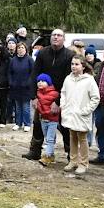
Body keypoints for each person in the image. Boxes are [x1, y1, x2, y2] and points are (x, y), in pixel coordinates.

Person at [24, 28, 74, 162]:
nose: (56, 37)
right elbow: (34, 74)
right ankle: (35, 151)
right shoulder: (42, 53)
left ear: (64, 39)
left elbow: (68, 81)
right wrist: (33, 96)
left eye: (59, 35)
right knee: (38, 123)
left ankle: (71, 155)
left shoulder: (69, 55)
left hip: (61, 97)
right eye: (54, 35)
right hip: (41, 96)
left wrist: (57, 102)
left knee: (65, 126)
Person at [60, 56, 100, 176]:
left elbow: (95, 98)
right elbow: (63, 93)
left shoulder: (89, 80)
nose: (74, 66)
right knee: (72, 136)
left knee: (82, 138)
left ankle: (83, 163)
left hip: (81, 115)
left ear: (83, 66)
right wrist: (64, 106)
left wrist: (86, 110)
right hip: (70, 114)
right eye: (72, 64)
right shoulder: (68, 79)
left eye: (77, 64)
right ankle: (73, 161)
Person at [8, 41, 34, 132]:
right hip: (16, 88)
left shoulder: (29, 59)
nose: (20, 49)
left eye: (22, 48)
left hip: (26, 88)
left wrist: (28, 82)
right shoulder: (13, 60)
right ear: (16, 50)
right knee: (18, 108)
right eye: (19, 48)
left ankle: (27, 124)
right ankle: (18, 123)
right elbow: (10, 73)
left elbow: (33, 73)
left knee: (26, 107)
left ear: (25, 49)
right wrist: (11, 82)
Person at [35, 73, 60, 166]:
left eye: (43, 81)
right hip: (43, 119)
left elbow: (57, 107)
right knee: (48, 138)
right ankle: (52, 155)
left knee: (49, 139)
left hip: (52, 120)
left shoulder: (55, 94)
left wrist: (49, 113)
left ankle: (47, 156)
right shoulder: (38, 93)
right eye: (38, 81)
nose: (40, 83)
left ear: (48, 83)